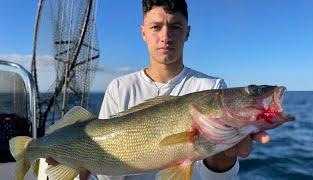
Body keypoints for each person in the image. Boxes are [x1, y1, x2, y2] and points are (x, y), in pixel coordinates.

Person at [47, 0, 270, 179]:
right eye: (156, 27)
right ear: (143, 32)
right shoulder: (119, 87)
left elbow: (213, 177)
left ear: (187, 32)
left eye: (175, 27)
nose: (165, 36)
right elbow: (107, 176)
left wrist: (223, 162)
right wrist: (76, 162)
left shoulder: (211, 87)